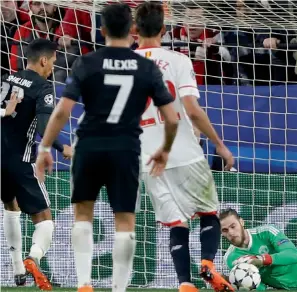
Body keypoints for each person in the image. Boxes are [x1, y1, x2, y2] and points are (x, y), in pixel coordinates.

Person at [35, 4, 179, 292]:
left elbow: (62, 111)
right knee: (125, 219)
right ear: (133, 30)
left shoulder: (87, 63)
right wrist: (164, 148)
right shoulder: (147, 67)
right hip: (126, 148)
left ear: (101, 31)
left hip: (88, 145)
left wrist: (45, 148)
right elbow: (172, 117)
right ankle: (119, 289)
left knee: (83, 214)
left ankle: (84, 283)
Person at [133, 3, 235, 292]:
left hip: (148, 157)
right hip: (185, 150)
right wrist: (219, 145)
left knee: (176, 223)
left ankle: (185, 284)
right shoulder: (178, 61)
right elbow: (192, 109)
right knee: (208, 213)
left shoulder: (123, 66)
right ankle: (207, 263)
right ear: (164, 30)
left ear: (134, 30)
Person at [1, 38, 73, 290]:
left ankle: (18, 272)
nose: (53, 66)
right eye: (53, 61)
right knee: (44, 219)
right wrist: (62, 146)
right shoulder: (43, 87)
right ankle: (33, 257)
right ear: (43, 60)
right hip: (20, 161)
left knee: (11, 207)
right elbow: (44, 127)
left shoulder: (8, 78)